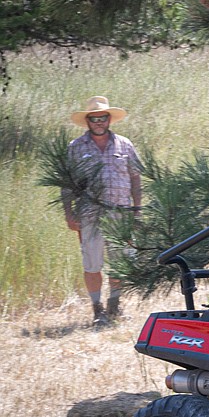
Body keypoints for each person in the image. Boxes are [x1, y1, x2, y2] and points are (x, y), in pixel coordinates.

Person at [62, 96, 143, 326]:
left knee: (119, 262)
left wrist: (136, 211)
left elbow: (136, 179)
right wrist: (69, 214)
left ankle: (114, 306)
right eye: (94, 118)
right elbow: (67, 184)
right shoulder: (76, 147)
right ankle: (97, 310)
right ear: (88, 121)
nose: (98, 122)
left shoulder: (124, 144)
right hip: (89, 214)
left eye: (102, 117)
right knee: (92, 263)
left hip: (120, 212)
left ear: (109, 119)